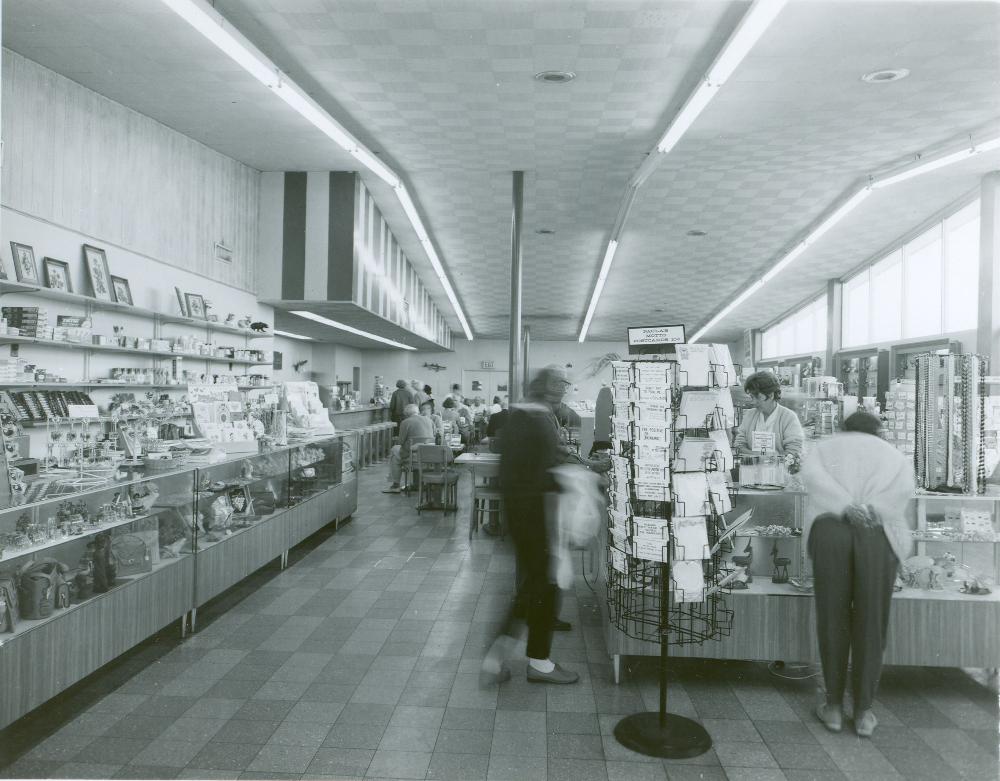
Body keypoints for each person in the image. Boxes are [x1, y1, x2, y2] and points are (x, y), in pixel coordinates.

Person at [799, 411, 915, 738]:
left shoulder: (825, 447)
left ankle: (833, 707)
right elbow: (905, 489)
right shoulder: (892, 454)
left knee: (832, 617)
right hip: (876, 533)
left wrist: (845, 504)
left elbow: (812, 478)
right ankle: (864, 713)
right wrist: (871, 509)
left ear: (843, 426)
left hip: (831, 530)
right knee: (871, 620)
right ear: (878, 431)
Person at [481, 365, 579, 685]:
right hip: (539, 515)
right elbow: (547, 471)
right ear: (551, 393)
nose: (562, 397)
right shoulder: (540, 422)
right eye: (560, 390)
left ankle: (501, 658)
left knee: (535, 586)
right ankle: (533, 661)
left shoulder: (519, 418)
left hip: (520, 513)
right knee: (542, 587)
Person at [733, 371, 804, 456]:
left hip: (780, 468)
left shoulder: (789, 417)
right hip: (751, 468)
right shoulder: (749, 415)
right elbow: (739, 445)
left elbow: (794, 452)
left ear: (771, 395)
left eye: (758, 397)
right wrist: (758, 457)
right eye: (752, 397)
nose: (753, 402)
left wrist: (771, 461)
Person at [384, 403, 434, 493]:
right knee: (397, 450)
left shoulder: (405, 422)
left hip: (412, 456)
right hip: (429, 456)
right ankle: (414, 483)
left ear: (406, 414)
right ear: (417, 411)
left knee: (394, 451)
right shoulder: (429, 420)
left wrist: (396, 439)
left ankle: (395, 484)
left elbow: (401, 442)